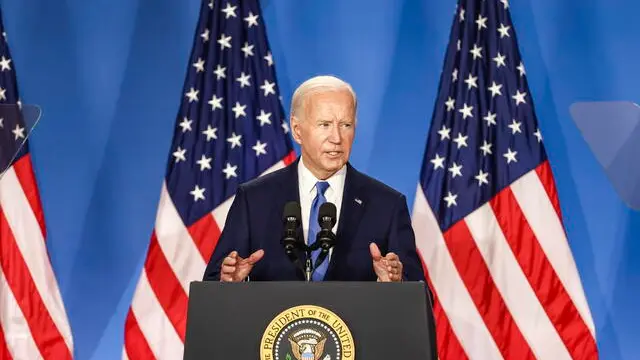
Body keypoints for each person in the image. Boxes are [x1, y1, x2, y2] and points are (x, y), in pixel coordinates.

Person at [202, 75, 425, 283]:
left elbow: (421, 297)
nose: (337, 138)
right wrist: (228, 282)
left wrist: (398, 283)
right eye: (324, 125)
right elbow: (213, 285)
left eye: (346, 125)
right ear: (297, 130)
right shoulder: (254, 199)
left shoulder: (386, 205)